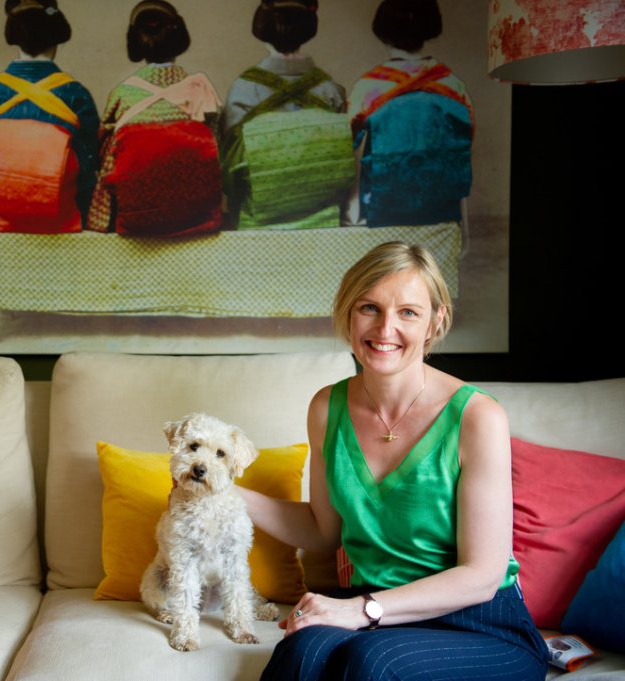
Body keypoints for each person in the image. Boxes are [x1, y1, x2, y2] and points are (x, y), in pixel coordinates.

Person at [241, 242, 549, 680]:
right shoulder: (327, 407)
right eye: (369, 307)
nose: (385, 328)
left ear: (435, 322)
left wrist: (363, 610)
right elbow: (323, 530)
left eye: (408, 312)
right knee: (302, 651)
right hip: (376, 613)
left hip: (480, 623)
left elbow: (482, 574)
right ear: (348, 313)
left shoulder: (478, 416)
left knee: (371, 663)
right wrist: (227, 497)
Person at [0, 0, 99, 233]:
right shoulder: (75, 93)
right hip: (59, 211)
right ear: (56, 40)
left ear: (15, 37)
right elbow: (92, 154)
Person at [85, 0, 222, 236]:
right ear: (179, 39)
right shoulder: (199, 90)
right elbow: (217, 149)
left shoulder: (123, 94)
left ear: (136, 41)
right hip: (194, 214)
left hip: (134, 213)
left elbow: (102, 151)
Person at [219, 0, 353, 230]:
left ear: (262, 28)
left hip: (258, 221)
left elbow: (229, 169)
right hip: (324, 222)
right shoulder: (331, 90)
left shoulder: (242, 89)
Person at [344, 0, 473, 228]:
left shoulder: (368, 88)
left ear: (382, 31)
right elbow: (466, 138)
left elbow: (347, 142)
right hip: (440, 206)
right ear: (431, 29)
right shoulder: (453, 86)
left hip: (382, 205)